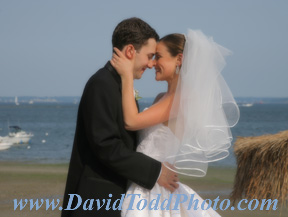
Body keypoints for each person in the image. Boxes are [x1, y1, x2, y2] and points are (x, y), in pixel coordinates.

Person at [111, 29, 239, 216]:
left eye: (158, 57)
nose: (153, 63)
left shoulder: (181, 99)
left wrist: (126, 75)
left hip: (154, 191)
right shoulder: (161, 97)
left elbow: (131, 122)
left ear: (178, 60)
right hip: (145, 180)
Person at [61, 17, 179, 217]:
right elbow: (106, 145)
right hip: (95, 201)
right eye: (150, 56)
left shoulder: (119, 86)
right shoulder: (102, 84)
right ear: (131, 51)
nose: (151, 64)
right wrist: (155, 171)